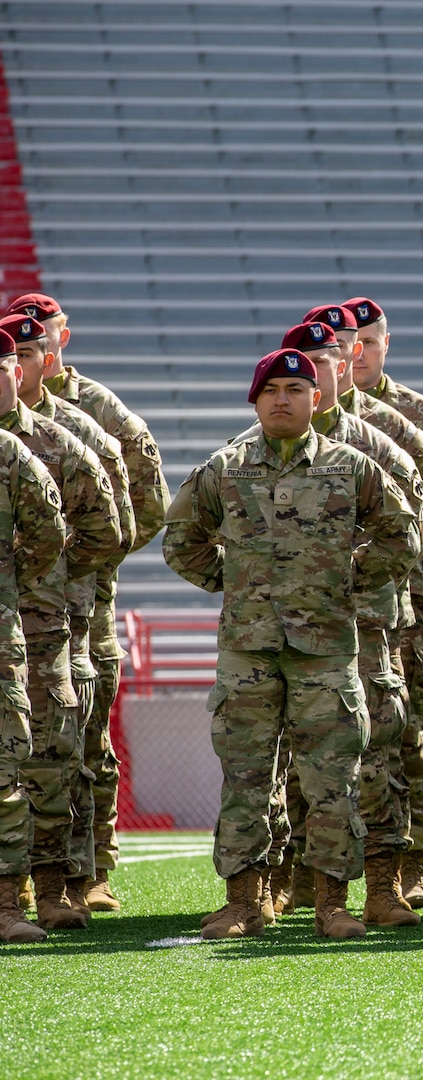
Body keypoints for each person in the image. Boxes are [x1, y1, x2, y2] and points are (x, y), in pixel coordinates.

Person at [164, 349, 420, 939]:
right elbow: (181, 539)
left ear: (318, 399)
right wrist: (230, 584)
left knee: (333, 780)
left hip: (326, 648)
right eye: (272, 389)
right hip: (248, 649)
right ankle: (243, 903)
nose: (283, 399)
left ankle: (332, 902)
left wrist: (347, 580)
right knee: (247, 778)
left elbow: (402, 535)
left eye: (296, 389)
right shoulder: (225, 467)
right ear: (255, 400)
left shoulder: (352, 466)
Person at [236, 323, 423, 929]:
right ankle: (287, 882)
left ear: (342, 368)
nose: (313, 375)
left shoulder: (379, 447)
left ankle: (383, 885)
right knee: (287, 766)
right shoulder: (240, 458)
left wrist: (354, 584)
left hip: (362, 632)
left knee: (368, 762)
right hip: (270, 636)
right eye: (300, 367)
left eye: (324, 363)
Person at [4, 292, 168, 912]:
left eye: (31, 347)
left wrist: (74, 569)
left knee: (76, 742)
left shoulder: (89, 416)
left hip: (73, 609)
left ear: (55, 345)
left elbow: (139, 509)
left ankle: (87, 869)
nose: (20, 362)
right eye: (10, 353)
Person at [339, 297, 423, 908]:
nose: (358, 351)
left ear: (383, 344)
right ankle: (301, 870)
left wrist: (413, 578)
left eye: (368, 340)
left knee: (403, 735)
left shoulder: (419, 420)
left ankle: (409, 861)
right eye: (349, 342)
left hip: (401, 613)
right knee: (310, 741)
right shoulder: (288, 412)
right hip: (317, 611)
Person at [0, 331, 122, 930]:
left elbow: (107, 528)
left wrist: (34, 579)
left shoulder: (58, 443)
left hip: (45, 625)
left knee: (50, 757)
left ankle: (55, 886)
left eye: (11, 363)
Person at [0, 374, 68, 943]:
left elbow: (49, 532)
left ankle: (5, 905)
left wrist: (8, 577)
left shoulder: (9, 453)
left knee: (4, 772)